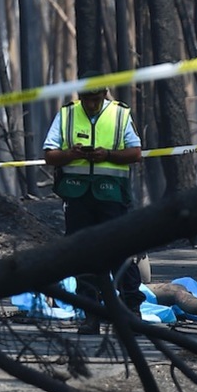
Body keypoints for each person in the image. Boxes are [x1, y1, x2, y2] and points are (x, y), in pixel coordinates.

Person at [42, 69, 145, 334]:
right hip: (77, 196)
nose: (90, 104)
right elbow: (50, 155)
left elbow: (135, 153)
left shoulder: (120, 113)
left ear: (104, 94)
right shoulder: (66, 114)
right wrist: (70, 154)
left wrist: (108, 154)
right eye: (86, 99)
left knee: (120, 251)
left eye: (95, 99)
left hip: (112, 195)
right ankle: (91, 313)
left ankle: (132, 310)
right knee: (83, 255)